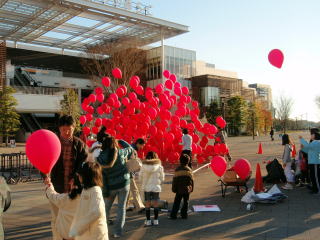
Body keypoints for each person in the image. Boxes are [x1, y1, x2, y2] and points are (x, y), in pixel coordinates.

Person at [48, 115, 88, 240]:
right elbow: (42, 160)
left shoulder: (79, 145)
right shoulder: (52, 143)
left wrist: (77, 178)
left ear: (74, 128)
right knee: (56, 219)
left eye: (69, 129)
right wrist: (45, 176)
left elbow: (84, 166)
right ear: (59, 129)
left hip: (73, 190)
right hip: (56, 186)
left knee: (72, 218)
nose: (66, 132)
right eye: (63, 129)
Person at [97, 136, 133, 238]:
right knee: (121, 209)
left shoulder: (100, 157)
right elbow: (131, 149)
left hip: (110, 186)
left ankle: (102, 231)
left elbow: (102, 175)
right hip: (124, 183)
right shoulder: (121, 152)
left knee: (105, 209)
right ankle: (117, 232)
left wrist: (105, 191)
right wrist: (121, 141)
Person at [69, 162, 108, 240]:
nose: (78, 176)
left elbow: (98, 211)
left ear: (87, 176)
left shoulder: (95, 190)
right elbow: (80, 212)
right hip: (87, 234)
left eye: (80, 175)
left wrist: (78, 228)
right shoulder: (86, 189)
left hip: (95, 235)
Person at [44, 175, 82, 240]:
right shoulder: (87, 199)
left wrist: (49, 184)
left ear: (72, 183)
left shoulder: (65, 199)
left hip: (66, 235)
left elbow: (52, 195)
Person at [139, 151, 164, 226]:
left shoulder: (143, 166)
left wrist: (143, 183)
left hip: (147, 187)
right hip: (156, 187)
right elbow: (162, 178)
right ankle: (156, 220)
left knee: (147, 204)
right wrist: (158, 183)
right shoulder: (159, 166)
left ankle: (148, 220)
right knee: (156, 203)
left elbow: (140, 177)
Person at [169, 154, 194, 220]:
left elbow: (175, 181)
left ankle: (173, 215)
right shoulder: (189, 170)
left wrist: (174, 189)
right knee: (186, 202)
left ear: (180, 161)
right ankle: (184, 215)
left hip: (179, 189)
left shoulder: (177, 170)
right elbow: (191, 181)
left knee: (176, 202)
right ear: (188, 161)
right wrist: (191, 189)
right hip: (186, 189)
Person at [127, 138, 145, 213]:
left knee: (127, 191)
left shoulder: (130, 148)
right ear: (138, 143)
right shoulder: (133, 150)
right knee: (134, 190)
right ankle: (139, 206)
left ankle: (125, 206)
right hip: (128, 173)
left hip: (125, 172)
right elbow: (132, 164)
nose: (142, 148)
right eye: (142, 146)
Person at [299, 128, 320, 194]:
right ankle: (314, 188)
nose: (311, 135)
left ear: (315, 136)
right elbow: (308, 150)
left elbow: (308, 146)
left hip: (315, 162)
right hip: (311, 162)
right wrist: (303, 148)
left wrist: (301, 139)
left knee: (316, 177)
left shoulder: (317, 142)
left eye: (312, 134)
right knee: (312, 176)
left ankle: (317, 190)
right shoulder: (313, 142)